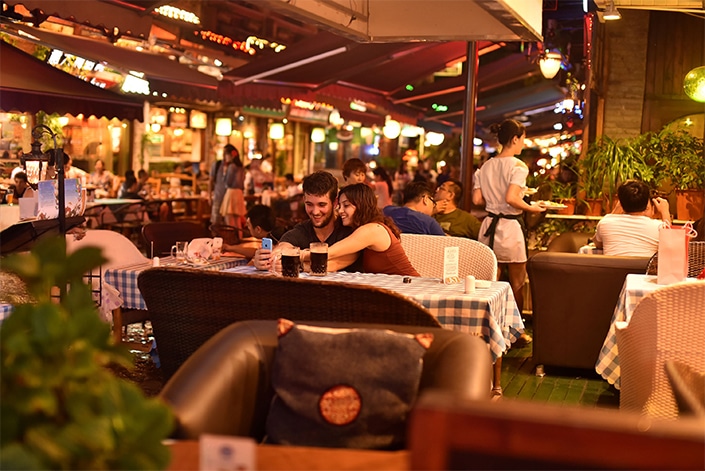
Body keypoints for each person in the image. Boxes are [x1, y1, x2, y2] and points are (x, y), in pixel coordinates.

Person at [472, 119, 545, 315]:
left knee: (489, 282)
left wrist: (494, 195)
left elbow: (478, 199)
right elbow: (511, 198)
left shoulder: (485, 167)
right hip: (510, 228)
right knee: (517, 283)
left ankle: (486, 322)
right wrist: (533, 207)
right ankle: (516, 331)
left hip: (489, 226)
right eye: (523, 139)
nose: (523, 143)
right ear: (514, 139)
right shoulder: (518, 166)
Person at [253, 170, 361, 272]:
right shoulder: (302, 230)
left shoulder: (349, 230)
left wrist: (297, 263)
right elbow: (284, 246)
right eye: (309, 204)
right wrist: (267, 258)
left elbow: (338, 262)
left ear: (335, 203)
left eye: (321, 205)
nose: (315, 212)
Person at [302, 183, 419, 276]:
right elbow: (335, 263)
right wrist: (299, 266)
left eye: (346, 205)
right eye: (340, 206)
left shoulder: (371, 230)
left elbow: (329, 253)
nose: (340, 211)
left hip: (409, 289)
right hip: (391, 291)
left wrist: (298, 255)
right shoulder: (361, 233)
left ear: (361, 206)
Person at [593, 179, 671, 256]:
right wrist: (665, 212)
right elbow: (671, 247)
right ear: (647, 202)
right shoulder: (658, 228)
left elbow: (598, 244)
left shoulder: (605, 223)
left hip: (614, 268)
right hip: (644, 269)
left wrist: (615, 211)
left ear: (620, 203)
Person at [223, 204, 287, 260]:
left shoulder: (275, 239)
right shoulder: (273, 233)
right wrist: (230, 248)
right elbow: (256, 252)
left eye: (248, 225)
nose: (247, 227)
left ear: (258, 229)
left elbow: (261, 257)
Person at [220, 147, 246, 229]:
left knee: (229, 220)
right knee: (237, 220)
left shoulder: (231, 166)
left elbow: (228, 182)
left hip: (231, 193)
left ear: (232, 156)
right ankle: (239, 238)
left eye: (226, 155)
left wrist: (224, 173)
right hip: (239, 193)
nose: (225, 157)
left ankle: (232, 239)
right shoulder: (241, 167)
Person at [210, 145, 233, 225]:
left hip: (230, 198)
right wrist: (210, 196)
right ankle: (215, 236)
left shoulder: (233, 166)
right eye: (224, 153)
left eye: (227, 153)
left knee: (229, 222)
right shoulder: (217, 165)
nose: (224, 155)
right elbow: (211, 180)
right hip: (218, 196)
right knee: (216, 220)